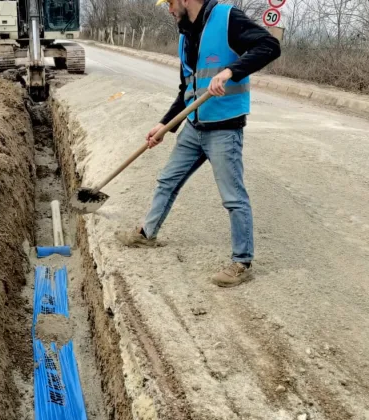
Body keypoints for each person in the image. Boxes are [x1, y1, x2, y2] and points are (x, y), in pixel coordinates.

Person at [114, 0, 281, 287]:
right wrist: (166, 125)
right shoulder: (185, 34)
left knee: (233, 197)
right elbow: (187, 90)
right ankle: (146, 233)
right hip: (193, 126)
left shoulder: (227, 18)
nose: (167, 8)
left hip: (224, 129)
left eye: (169, 2)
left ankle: (242, 261)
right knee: (167, 180)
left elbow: (269, 46)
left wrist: (231, 71)